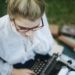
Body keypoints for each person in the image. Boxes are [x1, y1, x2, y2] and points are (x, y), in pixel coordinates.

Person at [0, 0, 54, 75]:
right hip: (13, 65)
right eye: (22, 27)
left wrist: (34, 39)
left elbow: (45, 49)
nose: (29, 34)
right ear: (11, 18)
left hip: (37, 54)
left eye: (35, 26)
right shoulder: (1, 31)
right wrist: (12, 71)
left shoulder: (38, 15)